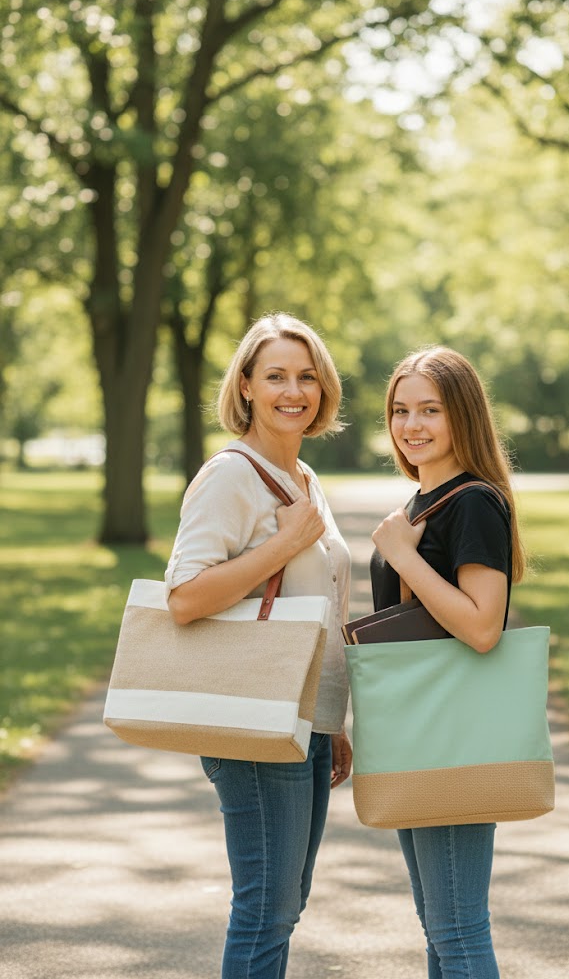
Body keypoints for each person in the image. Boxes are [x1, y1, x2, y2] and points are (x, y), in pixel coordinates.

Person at [165, 312, 352, 979]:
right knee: (266, 908)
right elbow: (184, 596)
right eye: (276, 376)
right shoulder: (230, 475)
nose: (293, 391)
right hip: (254, 716)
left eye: (307, 377)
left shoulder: (304, 477)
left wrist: (332, 720)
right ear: (245, 385)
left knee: (284, 903)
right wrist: (282, 544)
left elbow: (321, 601)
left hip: (305, 719)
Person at [369, 345, 526, 979]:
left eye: (430, 410)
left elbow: (483, 627)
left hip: (450, 730)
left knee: (457, 929)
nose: (412, 425)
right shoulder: (421, 504)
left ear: (463, 415)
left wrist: (403, 557)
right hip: (416, 726)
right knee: (441, 928)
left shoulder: (472, 503)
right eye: (400, 410)